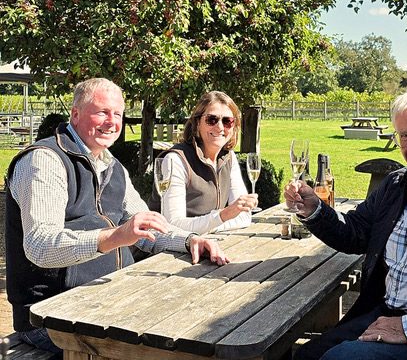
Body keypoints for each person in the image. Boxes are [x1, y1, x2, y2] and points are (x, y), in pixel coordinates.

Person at [5, 78, 229, 356]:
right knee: (172, 351)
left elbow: (146, 229)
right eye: (102, 112)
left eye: (118, 114)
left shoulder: (112, 165)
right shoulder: (45, 160)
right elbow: (40, 245)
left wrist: (189, 240)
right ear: (75, 114)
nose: (111, 122)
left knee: (203, 323)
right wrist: (114, 237)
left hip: (109, 300)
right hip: (52, 316)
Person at [285, 87, 407, 360]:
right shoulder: (397, 184)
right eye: (405, 136)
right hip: (386, 314)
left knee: (340, 358)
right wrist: (315, 210)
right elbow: (355, 232)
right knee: (307, 355)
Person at [157, 91, 258, 234]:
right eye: (212, 119)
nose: (220, 127)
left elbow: (244, 217)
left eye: (227, 121)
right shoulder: (176, 160)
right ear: (197, 123)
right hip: (169, 247)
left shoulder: (229, 158)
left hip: (210, 242)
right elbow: (173, 225)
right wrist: (223, 216)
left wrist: (213, 224)